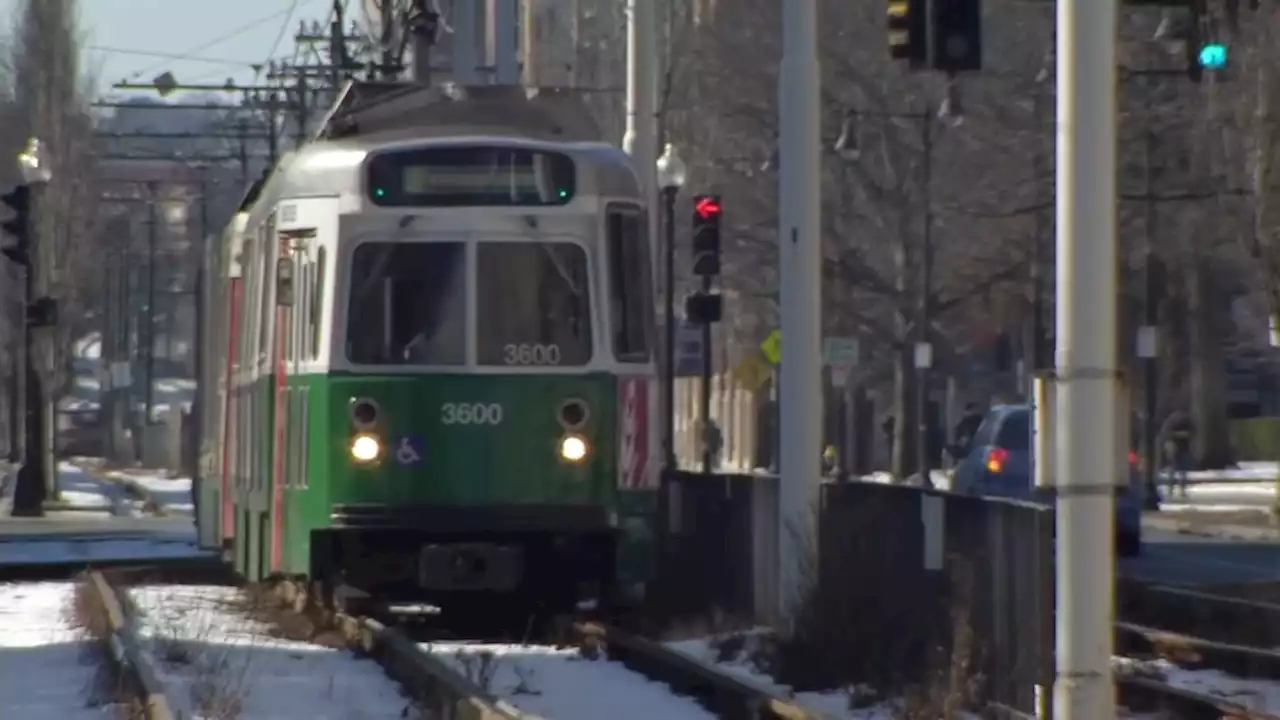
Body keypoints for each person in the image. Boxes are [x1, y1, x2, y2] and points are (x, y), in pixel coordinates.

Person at [1159, 409, 1194, 499]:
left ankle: (1173, 489)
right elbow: (1192, 433)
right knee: (1181, 471)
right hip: (1179, 448)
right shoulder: (1185, 422)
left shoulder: (1170, 422)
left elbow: (1166, 434)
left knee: (1175, 470)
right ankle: (1179, 489)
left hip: (1175, 448)